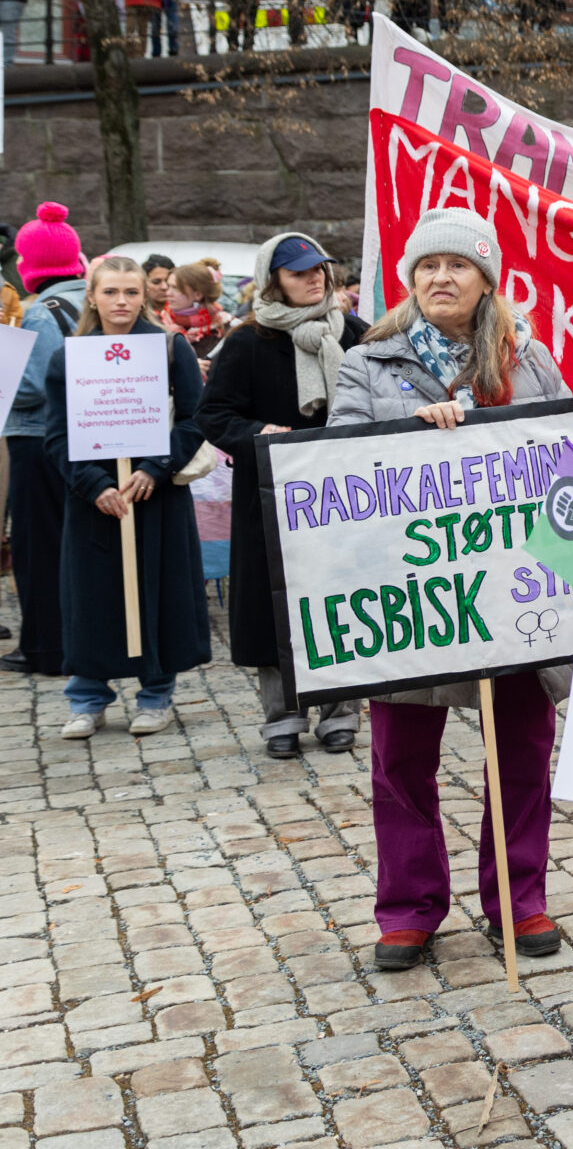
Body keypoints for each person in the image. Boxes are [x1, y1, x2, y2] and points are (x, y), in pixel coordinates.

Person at [329, 208, 573, 970]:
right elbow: (337, 464)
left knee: (522, 752)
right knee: (400, 758)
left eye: (458, 265)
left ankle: (519, 900)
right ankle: (408, 908)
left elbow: (568, 454)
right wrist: (409, 432)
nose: (441, 277)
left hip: (511, 592)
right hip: (412, 598)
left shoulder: (529, 361)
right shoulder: (367, 365)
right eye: (428, 266)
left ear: (486, 278)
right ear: (410, 279)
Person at [197, 234, 369, 759]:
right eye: (298, 272)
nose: (313, 278)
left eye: (319, 269)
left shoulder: (355, 333)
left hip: (343, 496)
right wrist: (259, 433)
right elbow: (214, 413)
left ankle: (340, 712)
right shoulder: (247, 341)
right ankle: (283, 716)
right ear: (273, 281)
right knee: (276, 605)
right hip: (270, 497)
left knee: (340, 599)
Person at [47, 255, 211, 739]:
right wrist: (92, 484)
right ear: (92, 296)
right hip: (94, 498)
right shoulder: (68, 356)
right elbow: (57, 433)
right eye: (111, 292)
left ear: (145, 296)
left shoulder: (169, 348)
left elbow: (195, 418)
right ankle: (87, 698)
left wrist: (155, 468)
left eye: (131, 292)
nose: (121, 301)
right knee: (91, 597)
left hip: (154, 494)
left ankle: (156, 694)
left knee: (158, 591)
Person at [3, 204, 85, 677]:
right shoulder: (90, 298)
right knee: (71, 545)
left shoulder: (41, 313)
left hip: (37, 440)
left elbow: (30, 388)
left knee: (37, 548)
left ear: (31, 262)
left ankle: (43, 647)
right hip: (82, 437)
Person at [166, 261, 228, 366]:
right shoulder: (158, 321)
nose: (168, 293)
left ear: (198, 295)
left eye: (176, 288)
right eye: (168, 286)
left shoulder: (225, 327)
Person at [141, 253, 176, 325]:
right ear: (143, 283)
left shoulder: (188, 315)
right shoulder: (136, 315)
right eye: (156, 282)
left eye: (167, 281)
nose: (164, 287)